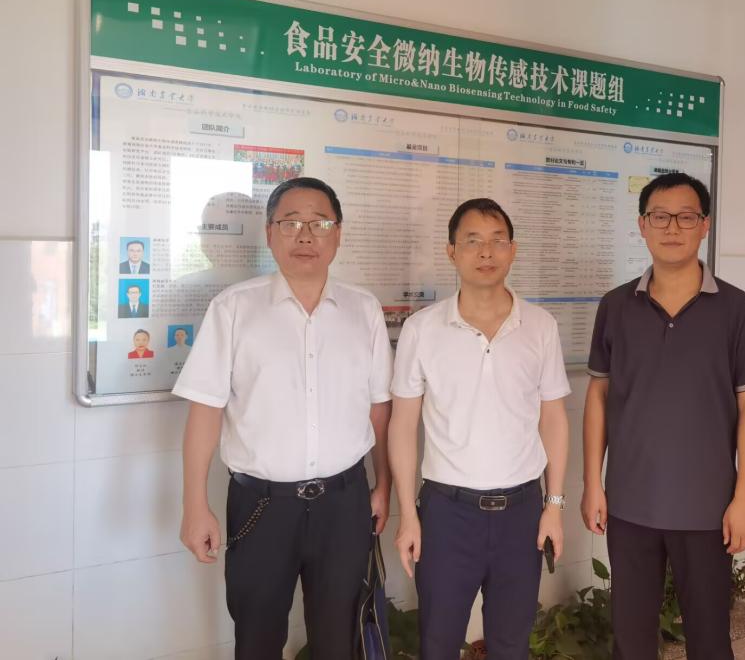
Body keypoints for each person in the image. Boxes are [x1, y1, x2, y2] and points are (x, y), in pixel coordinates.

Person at [174, 177, 393, 660]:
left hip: (345, 503)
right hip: (261, 506)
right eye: (291, 223)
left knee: (338, 640)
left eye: (320, 223)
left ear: (338, 233)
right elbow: (205, 410)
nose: (305, 235)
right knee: (257, 638)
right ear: (270, 234)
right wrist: (194, 504)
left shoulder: (364, 310)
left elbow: (380, 408)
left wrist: (384, 484)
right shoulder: (234, 309)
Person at [581, 172, 745, 660]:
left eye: (686, 217)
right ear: (642, 225)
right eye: (660, 216)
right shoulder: (615, 306)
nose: (673, 227)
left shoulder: (740, 310)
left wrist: (744, 500)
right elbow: (599, 397)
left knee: (709, 639)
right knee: (631, 639)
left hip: (708, 509)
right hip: (630, 504)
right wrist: (592, 483)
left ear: (704, 225)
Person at [389, 198, 570, 660]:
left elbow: (553, 417)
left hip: (521, 512)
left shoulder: (540, 326)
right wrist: (407, 514)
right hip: (447, 514)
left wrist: (553, 506)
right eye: (472, 241)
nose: (486, 252)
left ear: (513, 250)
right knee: (438, 642)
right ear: (451, 251)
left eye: (497, 241)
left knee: (511, 644)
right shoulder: (422, 329)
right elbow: (403, 424)